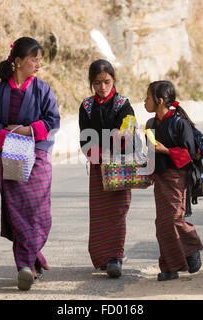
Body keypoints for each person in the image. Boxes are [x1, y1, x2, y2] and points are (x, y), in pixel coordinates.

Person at [0, 37, 60, 291]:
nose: (39, 64)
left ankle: (33, 253)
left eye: (40, 59)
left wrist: (26, 130)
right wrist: (12, 139)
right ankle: (25, 267)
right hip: (10, 155)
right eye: (33, 59)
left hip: (38, 156)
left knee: (40, 214)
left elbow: (52, 121)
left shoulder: (43, 90)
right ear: (18, 61)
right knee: (17, 214)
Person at [78, 59, 136, 278]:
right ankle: (101, 258)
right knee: (100, 213)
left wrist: (123, 135)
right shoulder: (86, 106)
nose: (102, 87)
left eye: (107, 81)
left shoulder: (123, 103)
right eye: (97, 83)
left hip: (120, 165)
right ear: (91, 83)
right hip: (98, 167)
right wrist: (99, 157)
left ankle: (115, 257)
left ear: (114, 80)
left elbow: (129, 124)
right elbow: (85, 138)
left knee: (118, 211)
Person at [144, 80, 203, 281]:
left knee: (174, 220)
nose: (144, 101)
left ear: (159, 101)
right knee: (162, 224)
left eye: (147, 97)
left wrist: (166, 150)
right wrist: (146, 171)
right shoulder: (151, 124)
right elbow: (151, 154)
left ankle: (192, 247)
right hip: (160, 179)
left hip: (177, 179)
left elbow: (189, 155)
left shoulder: (180, 123)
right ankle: (169, 267)